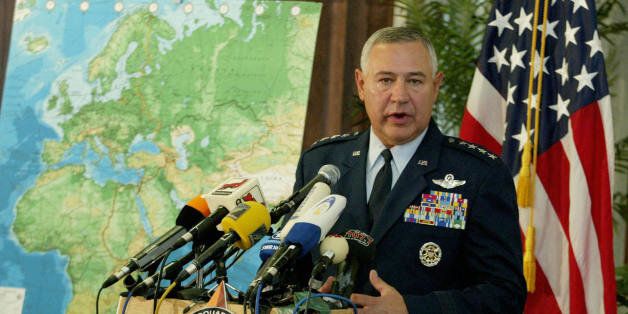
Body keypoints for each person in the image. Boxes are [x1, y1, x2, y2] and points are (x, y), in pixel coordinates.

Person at [292, 27, 526, 313]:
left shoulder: (479, 174)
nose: (400, 95)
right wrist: (311, 295)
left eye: (414, 81)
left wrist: (411, 310)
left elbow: (505, 294)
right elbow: (293, 270)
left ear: (436, 87)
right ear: (361, 84)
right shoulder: (321, 163)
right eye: (386, 80)